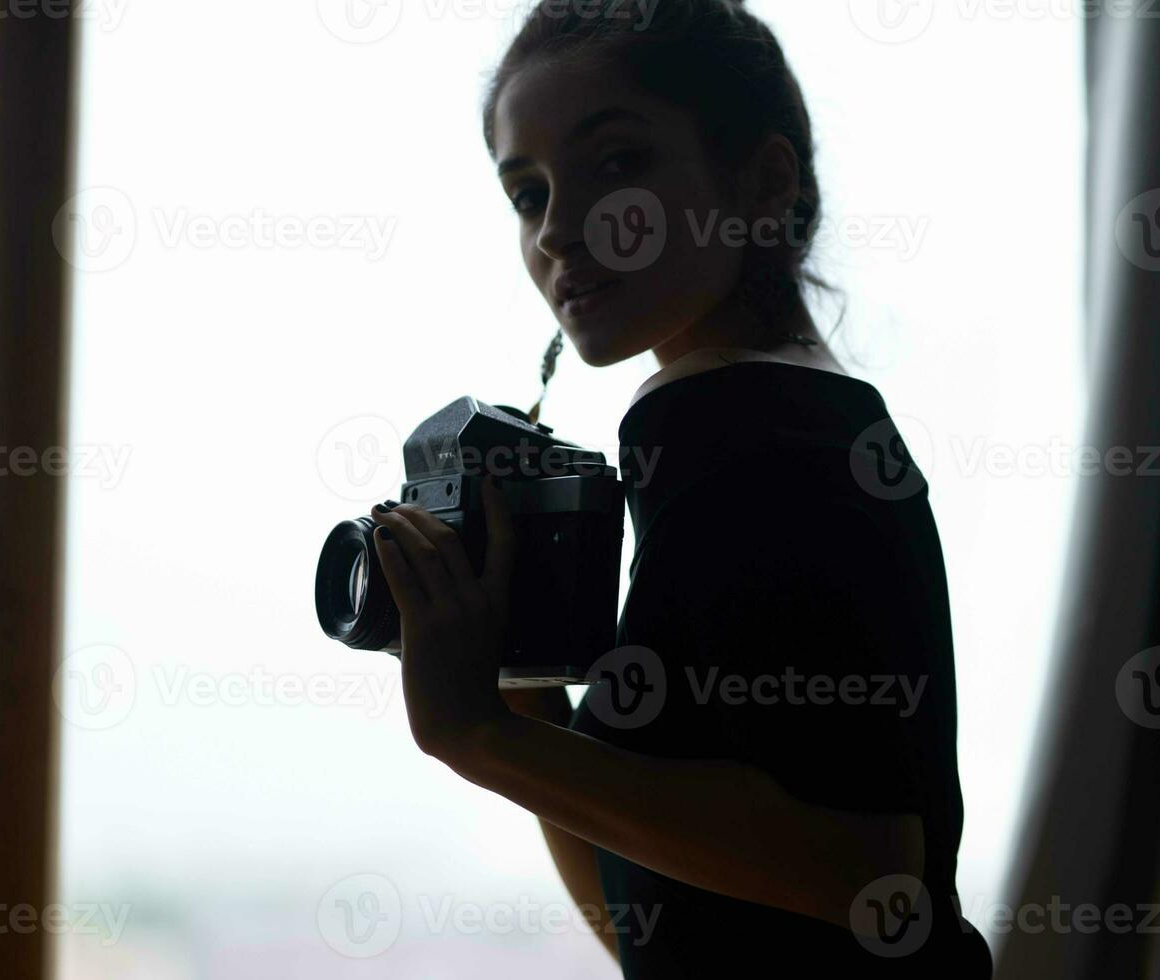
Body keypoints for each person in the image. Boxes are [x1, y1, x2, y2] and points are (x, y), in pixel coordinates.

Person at [366, 1, 992, 974]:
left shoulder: (739, 423)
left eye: (617, 163)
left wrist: (475, 732)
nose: (562, 231)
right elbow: (651, 922)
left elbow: (870, 869)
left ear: (763, 181)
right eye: (528, 195)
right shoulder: (803, 418)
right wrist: (518, 686)